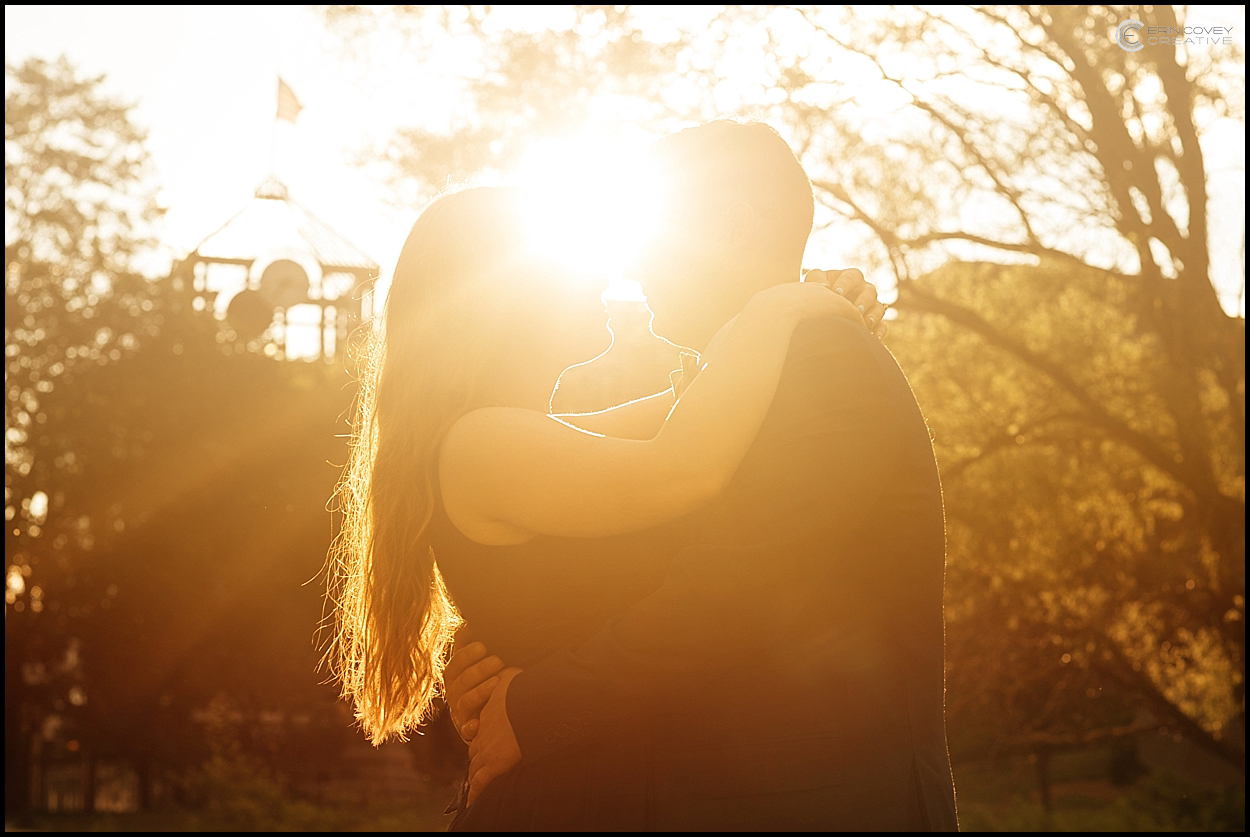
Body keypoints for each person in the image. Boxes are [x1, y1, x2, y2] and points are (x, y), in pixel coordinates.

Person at [448, 120, 960, 831]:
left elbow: (732, 592)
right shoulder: (726, 388)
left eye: (652, 234)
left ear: (734, 227)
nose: (631, 269)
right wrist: (500, 637)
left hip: (820, 801)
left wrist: (530, 707)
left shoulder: (823, 362)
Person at [323, 183, 882, 822]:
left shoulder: (521, 435)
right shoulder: (481, 443)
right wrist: (779, 308)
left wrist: (822, 302)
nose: (602, 275)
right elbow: (684, 468)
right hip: (566, 799)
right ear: (500, 298)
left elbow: (695, 407)